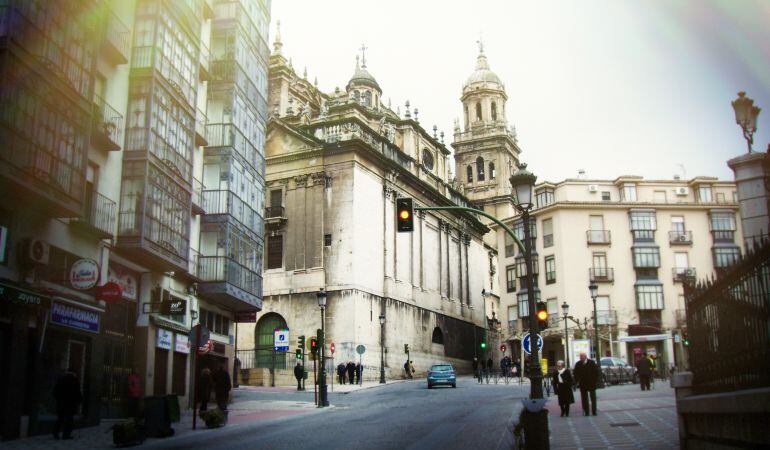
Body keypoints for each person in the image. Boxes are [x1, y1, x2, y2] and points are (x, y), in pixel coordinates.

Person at [53, 368, 82, 440]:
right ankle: (66, 435)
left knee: (60, 418)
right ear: (74, 373)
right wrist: (79, 401)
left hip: (61, 403)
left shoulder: (61, 379)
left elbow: (55, 392)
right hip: (71, 404)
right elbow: (77, 393)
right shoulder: (75, 380)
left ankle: (55, 433)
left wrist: (59, 399)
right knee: (69, 419)